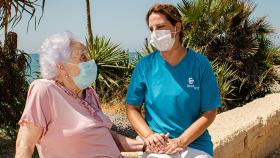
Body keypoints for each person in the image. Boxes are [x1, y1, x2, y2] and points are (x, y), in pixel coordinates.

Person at [15, 31, 143, 158]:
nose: (91, 61)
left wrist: (144, 146)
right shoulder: (45, 90)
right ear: (61, 66)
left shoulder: (90, 94)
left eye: (88, 56)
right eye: (83, 57)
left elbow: (102, 136)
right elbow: (25, 144)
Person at [126, 3, 221, 158]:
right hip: (158, 145)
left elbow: (210, 111)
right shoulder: (145, 65)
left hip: (195, 143)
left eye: (160, 27)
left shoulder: (200, 64)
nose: (155, 33)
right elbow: (132, 109)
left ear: (177, 27)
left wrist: (181, 141)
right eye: (152, 29)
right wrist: (149, 136)